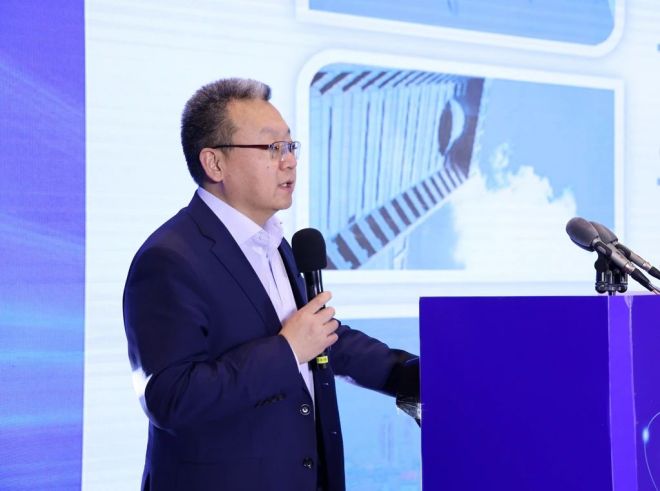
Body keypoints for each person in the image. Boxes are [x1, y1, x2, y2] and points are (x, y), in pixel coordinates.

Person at [122, 78, 419, 491]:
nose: (290, 161)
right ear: (214, 163)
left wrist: (414, 376)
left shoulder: (275, 243)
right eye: (272, 147)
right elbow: (171, 398)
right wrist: (286, 350)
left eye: (291, 146)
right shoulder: (169, 259)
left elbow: (318, 336)